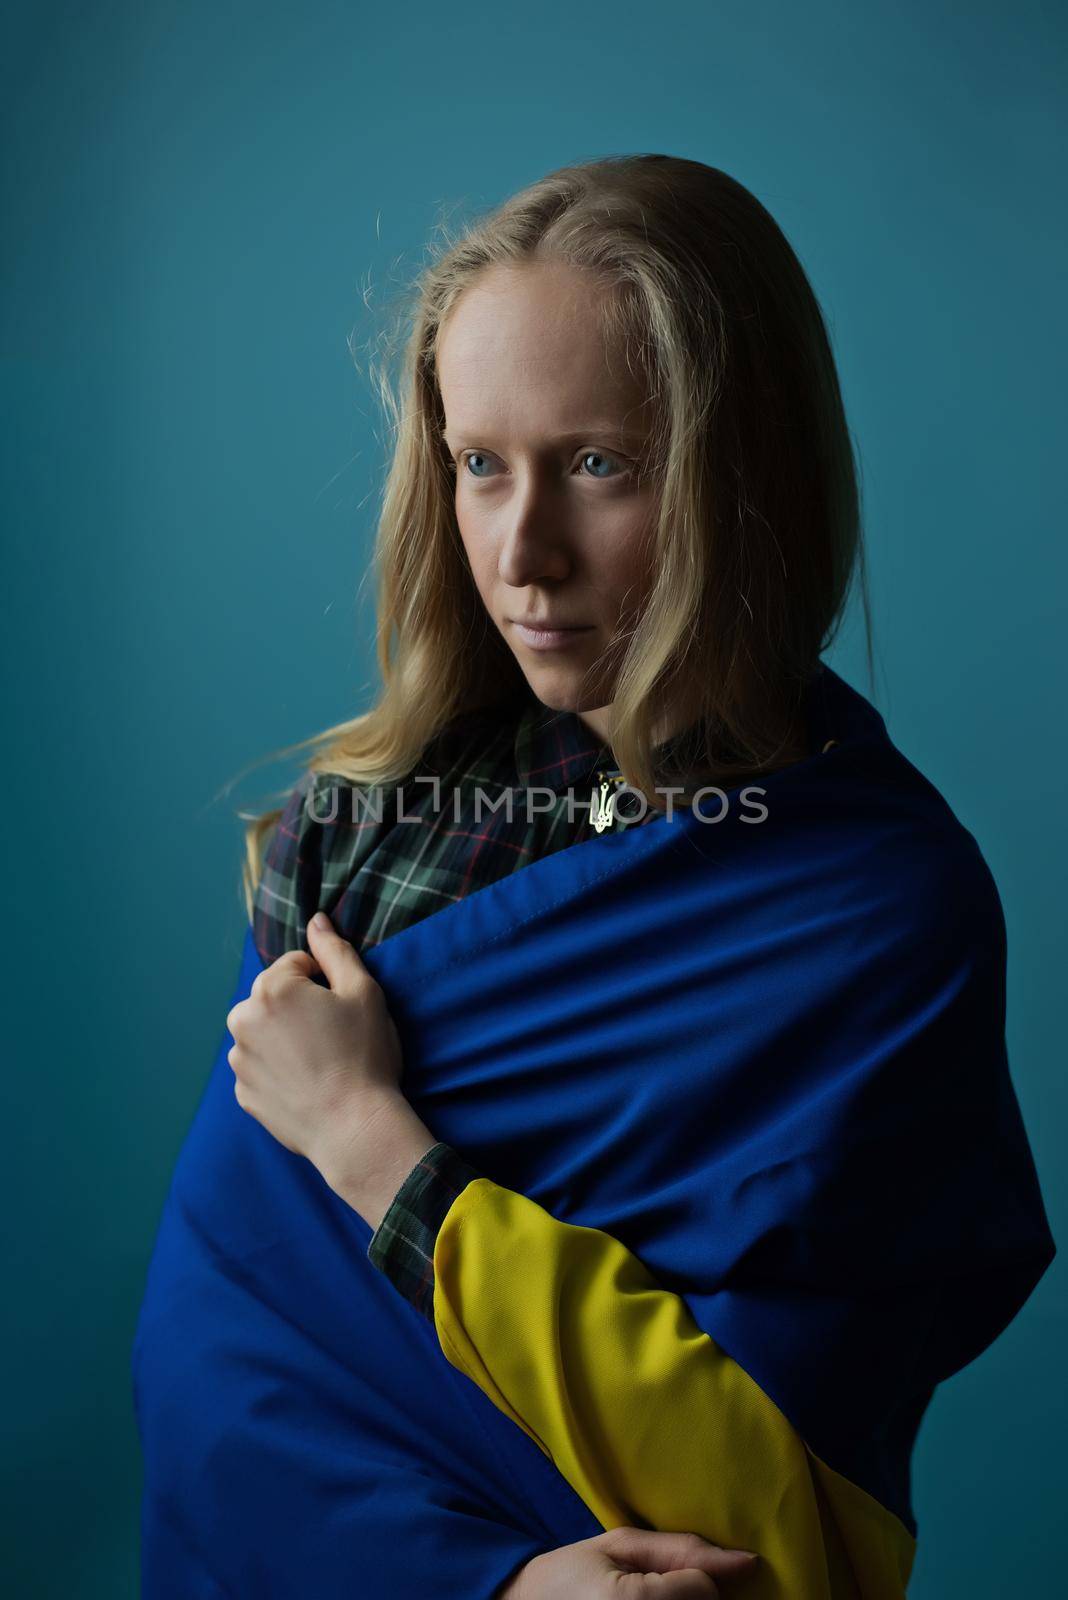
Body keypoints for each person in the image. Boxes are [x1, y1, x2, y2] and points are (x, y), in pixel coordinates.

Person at [134, 155, 1055, 1600]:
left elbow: (784, 1506)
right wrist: (492, 1587)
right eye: (480, 463)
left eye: (600, 465)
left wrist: (375, 1147)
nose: (523, 553)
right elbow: (224, 1367)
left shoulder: (883, 913)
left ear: (747, 474)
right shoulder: (364, 834)